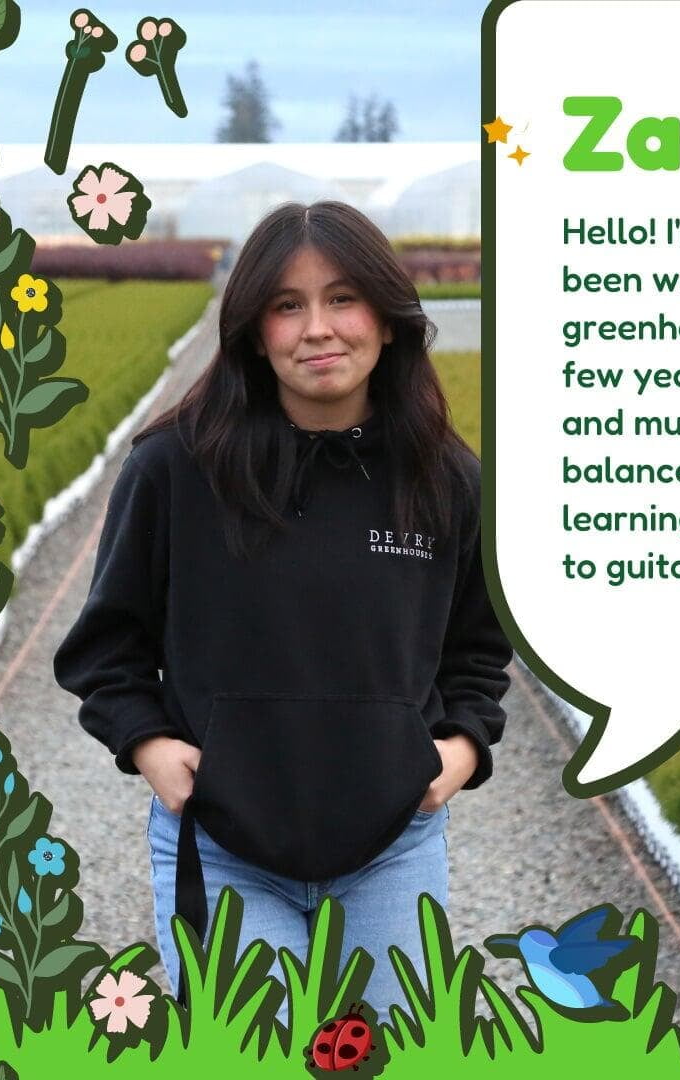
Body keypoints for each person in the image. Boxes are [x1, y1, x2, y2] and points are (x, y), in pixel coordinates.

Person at [53, 201, 512, 1027]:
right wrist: (154, 748)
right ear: (253, 330)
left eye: (342, 298)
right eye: (287, 305)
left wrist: (455, 754)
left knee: (391, 1051)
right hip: (226, 847)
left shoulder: (445, 480)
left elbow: (477, 651)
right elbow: (106, 647)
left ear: (388, 314)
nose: (318, 329)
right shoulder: (175, 470)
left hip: (391, 849)